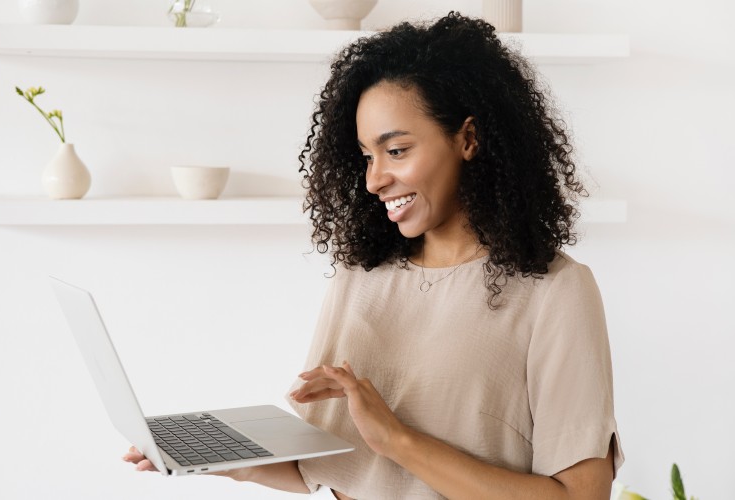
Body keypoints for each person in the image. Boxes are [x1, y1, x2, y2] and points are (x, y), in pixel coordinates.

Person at [125, 11, 624, 499]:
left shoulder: (555, 291)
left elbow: (581, 495)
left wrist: (398, 440)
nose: (374, 179)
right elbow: (328, 467)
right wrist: (223, 458)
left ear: (468, 139)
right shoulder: (360, 277)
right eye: (367, 155)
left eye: (397, 150)